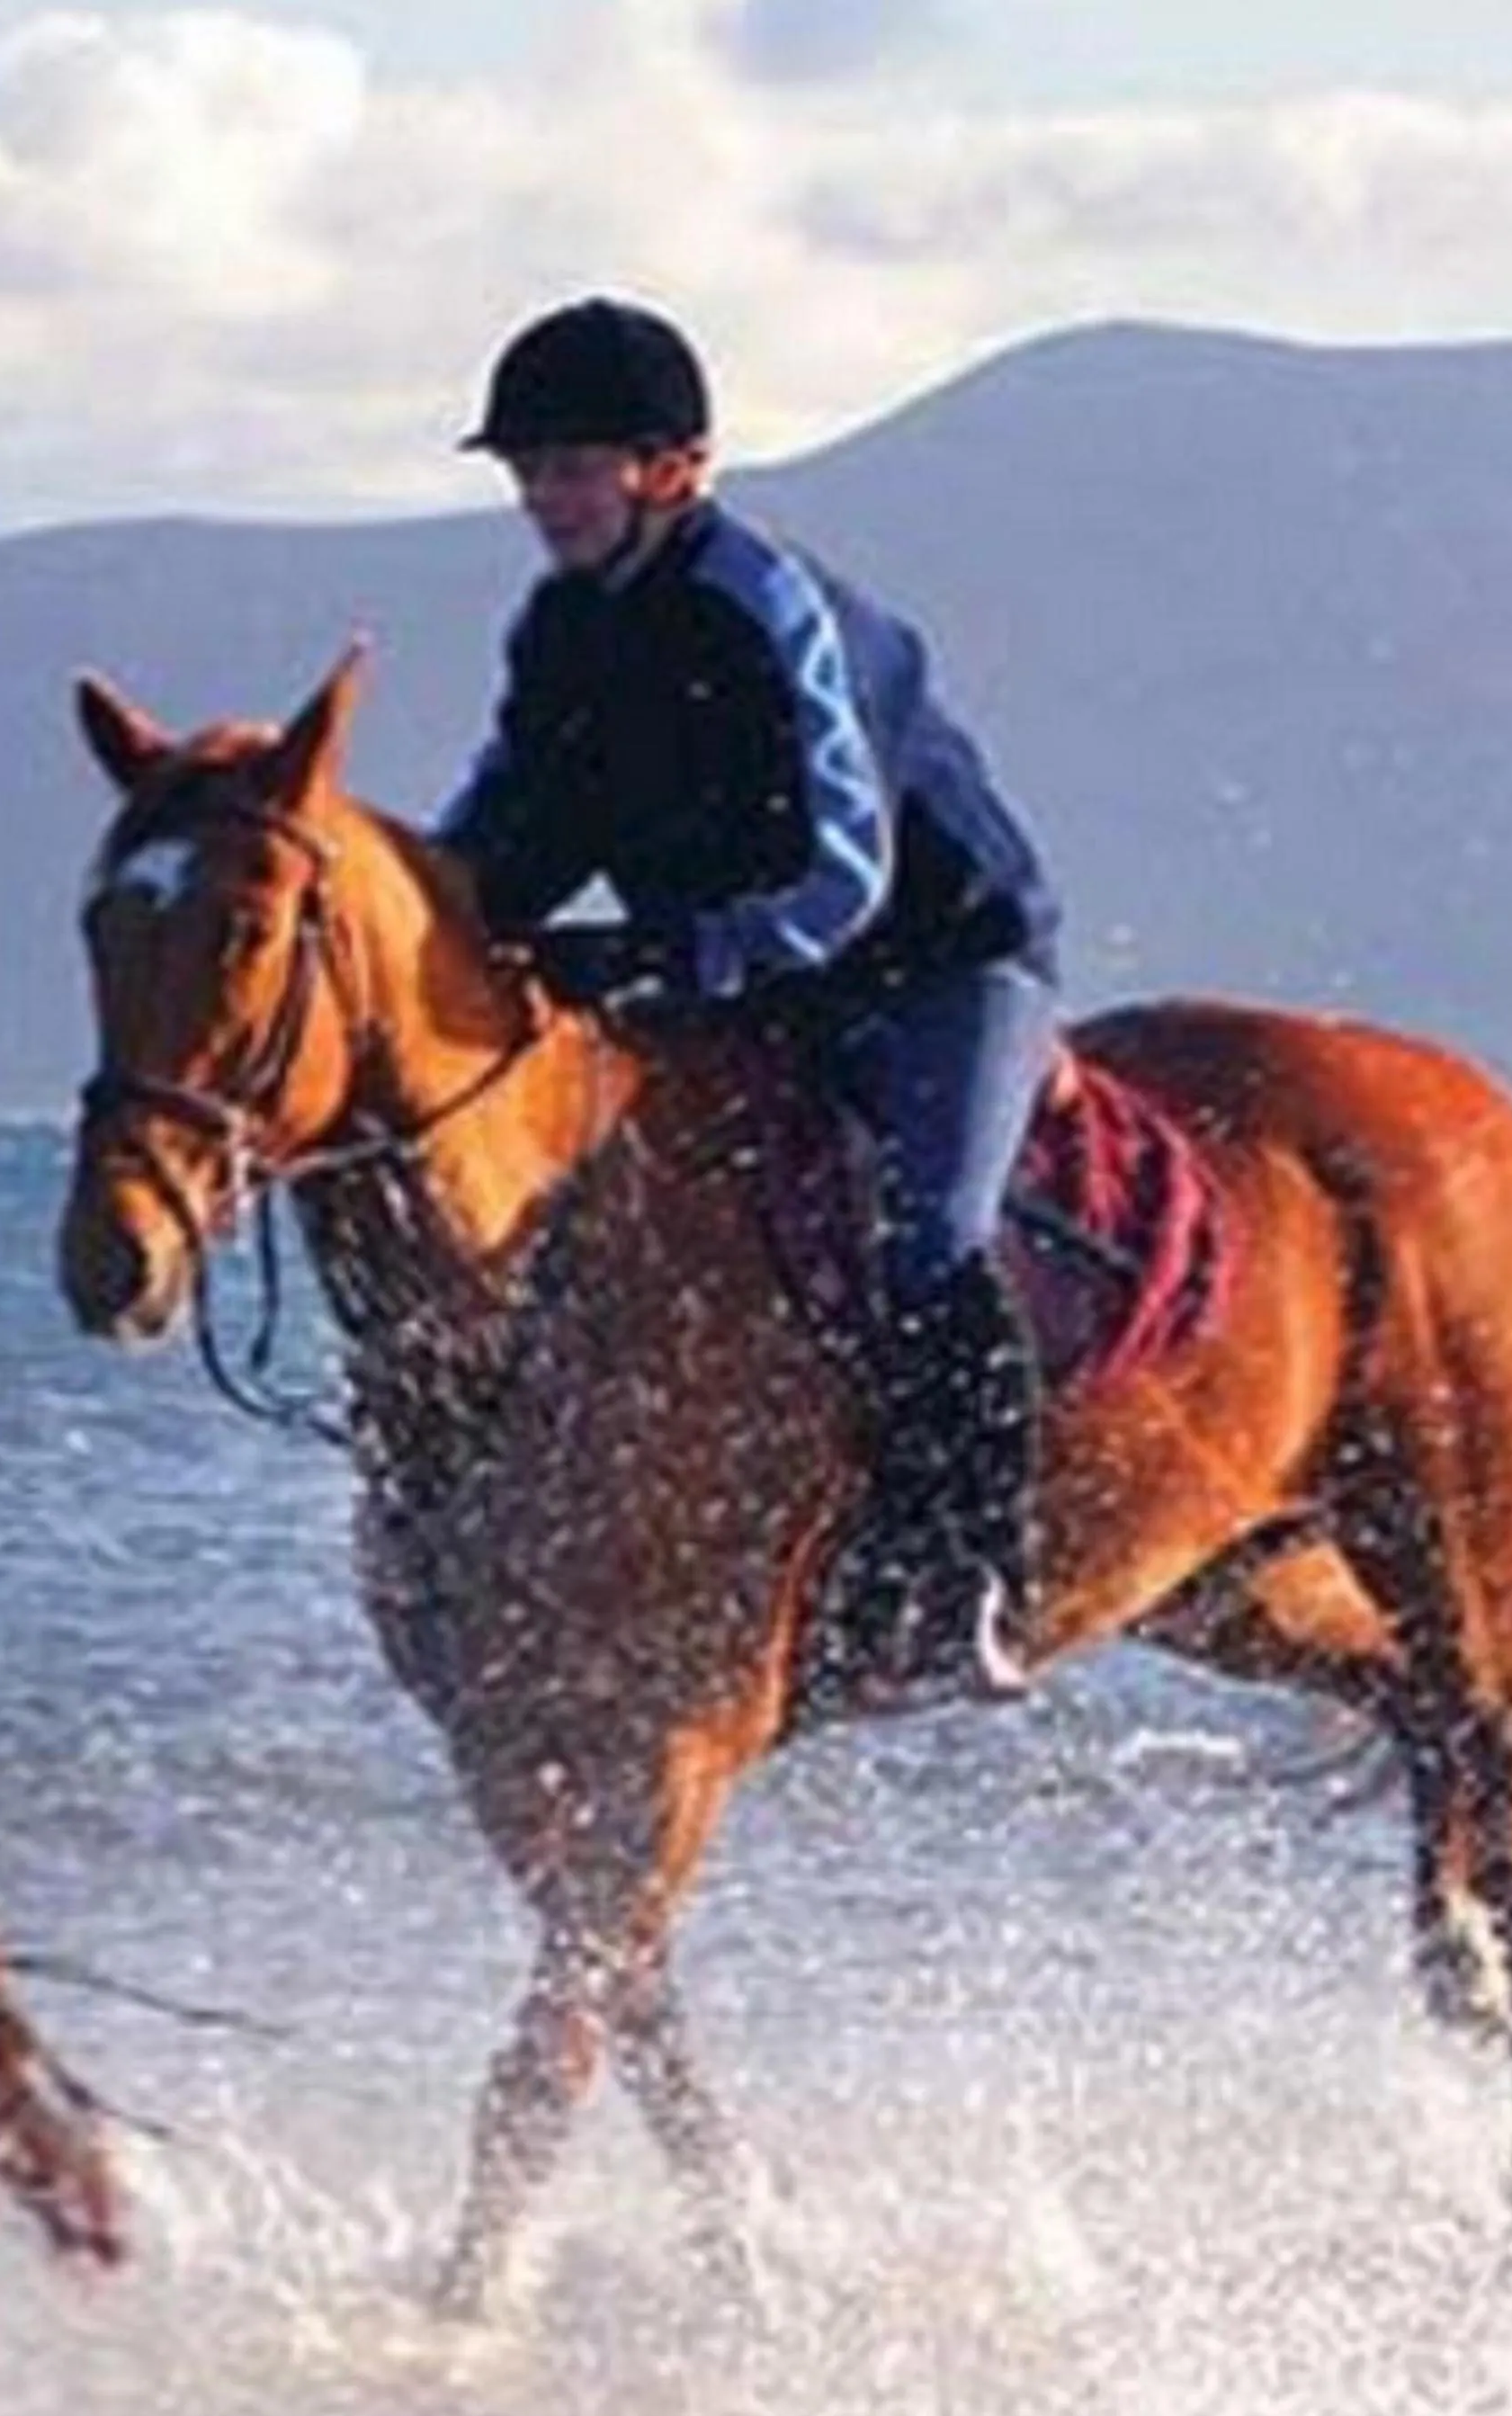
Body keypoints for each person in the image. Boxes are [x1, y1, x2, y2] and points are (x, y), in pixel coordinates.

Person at [437, 295, 1064, 1702]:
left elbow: (847, 873)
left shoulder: (767, 604)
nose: (542, 498)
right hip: (745, 975)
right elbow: (499, 831)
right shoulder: (559, 626)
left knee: (929, 1235)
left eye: (571, 467)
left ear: (674, 469)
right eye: (528, 470)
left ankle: (975, 1570)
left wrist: (673, 954)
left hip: (942, 963)